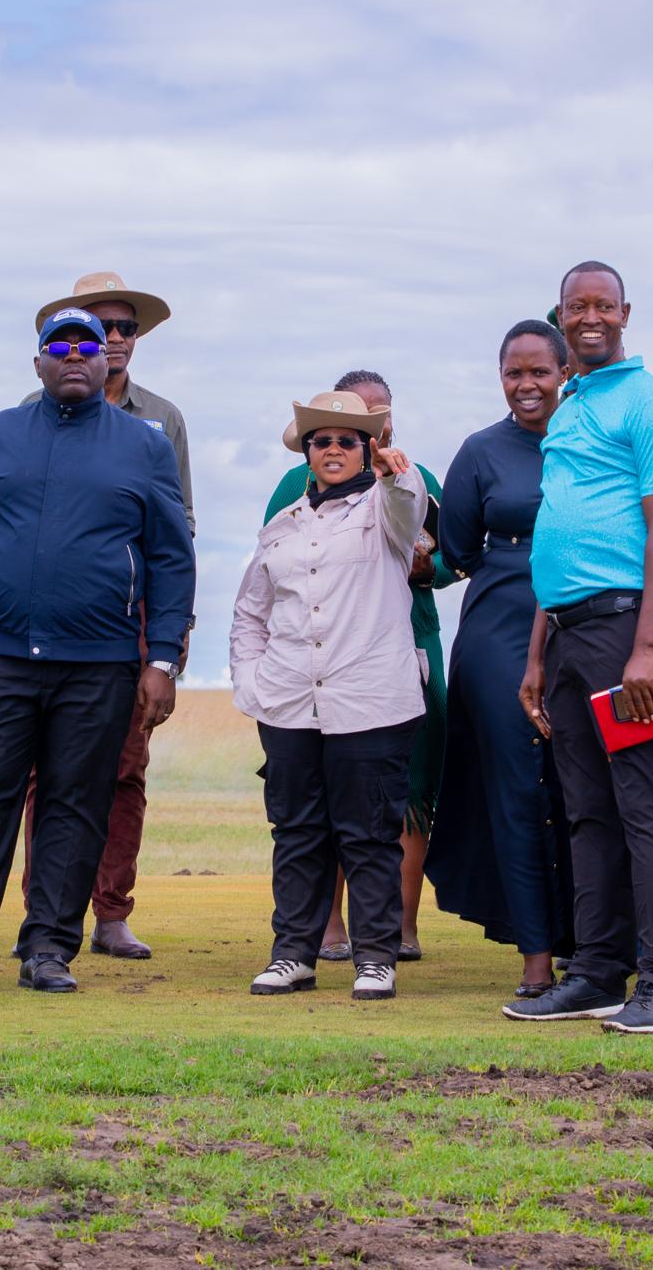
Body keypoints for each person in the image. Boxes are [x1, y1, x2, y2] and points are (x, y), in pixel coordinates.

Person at [0, 308, 195, 995]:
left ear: (108, 363)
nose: (74, 355)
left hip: (100, 661)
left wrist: (162, 659)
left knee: (76, 801)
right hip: (2, 656)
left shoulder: (144, 446)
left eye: (87, 346)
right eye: (57, 346)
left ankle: (49, 949)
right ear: (37, 362)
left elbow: (171, 559)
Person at [503, 261, 653, 1035]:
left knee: (650, 809)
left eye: (602, 306)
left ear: (624, 314)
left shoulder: (648, 404)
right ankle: (595, 971)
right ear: (561, 316)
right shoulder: (567, 409)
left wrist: (645, 649)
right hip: (567, 635)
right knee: (587, 812)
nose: (589, 317)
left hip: (632, 630)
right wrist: (535, 655)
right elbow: (554, 541)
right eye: (575, 307)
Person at [234, 391, 429, 1001]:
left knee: (368, 831)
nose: (336, 450)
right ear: (309, 452)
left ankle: (376, 956)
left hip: (371, 698)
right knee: (296, 829)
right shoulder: (282, 525)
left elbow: (409, 505)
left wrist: (396, 472)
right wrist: (251, 683)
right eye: (324, 441)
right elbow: (250, 613)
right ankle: (294, 950)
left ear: (366, 448)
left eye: (349, 440)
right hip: (290, 699)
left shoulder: (386, 512)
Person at [27, 271, 192, 963]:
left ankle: (110, 911)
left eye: (126, 327)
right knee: (43, 772)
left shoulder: (162, 419)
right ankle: (44, 916)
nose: (113, 338)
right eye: (101, 325)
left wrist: (169, 643)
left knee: (124, 769)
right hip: (53, 618)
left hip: (135, 617)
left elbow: (179, 531)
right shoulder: (36, 412)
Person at [428, 321, 576, 997]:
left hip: (583, 614)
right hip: (498, 626)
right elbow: (456, 551)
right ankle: (536, 955)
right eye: (514, 373)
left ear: (565, 372)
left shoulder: (592, 442)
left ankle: (593, 940)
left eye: (539, 372)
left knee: (582, 783)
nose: (526, 385)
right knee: (518, 784)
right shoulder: (481, 451)